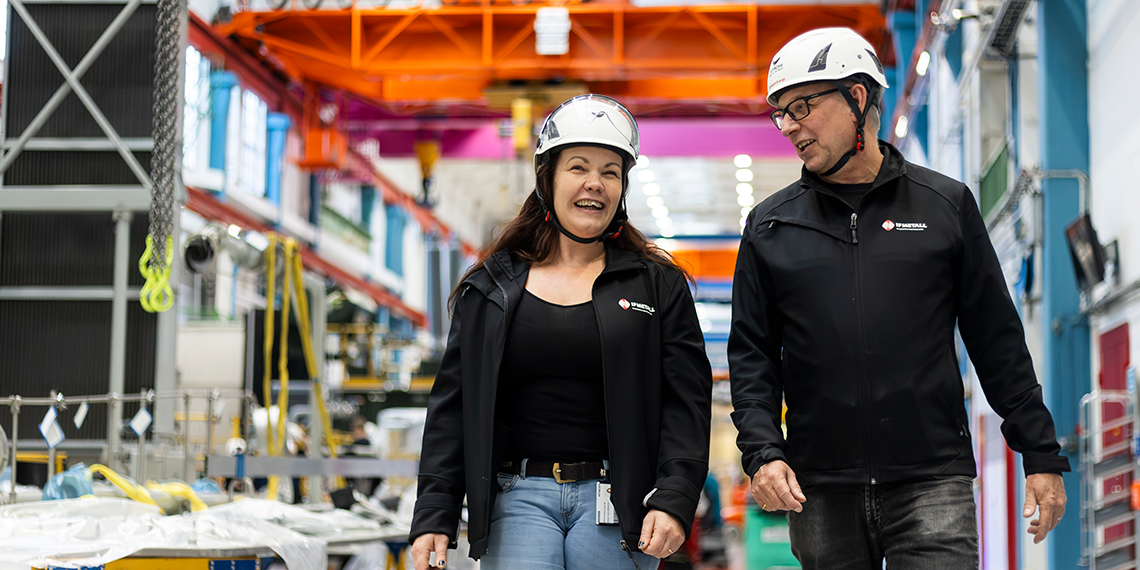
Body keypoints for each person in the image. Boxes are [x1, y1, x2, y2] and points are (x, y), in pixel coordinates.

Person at [728, 27, 1070, 569]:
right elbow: (752, 357)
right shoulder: (771, 225)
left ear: (857, 97)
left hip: (932, 480)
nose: (788, 125)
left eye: (802, 107)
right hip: (821, 488)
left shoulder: (944, 206)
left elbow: (996, 340)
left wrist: (1040, 452)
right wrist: (763, 453)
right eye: (781, 113)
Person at [409, 94, 714, 570]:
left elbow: (686, 404)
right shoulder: (491, 287)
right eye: (578, 167)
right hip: (516, 499)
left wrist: (674, 496)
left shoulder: (658, 285)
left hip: (619, 502)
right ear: (546, 178)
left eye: (611, 172)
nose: (595, 182)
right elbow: (453, 406)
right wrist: (435, 509)